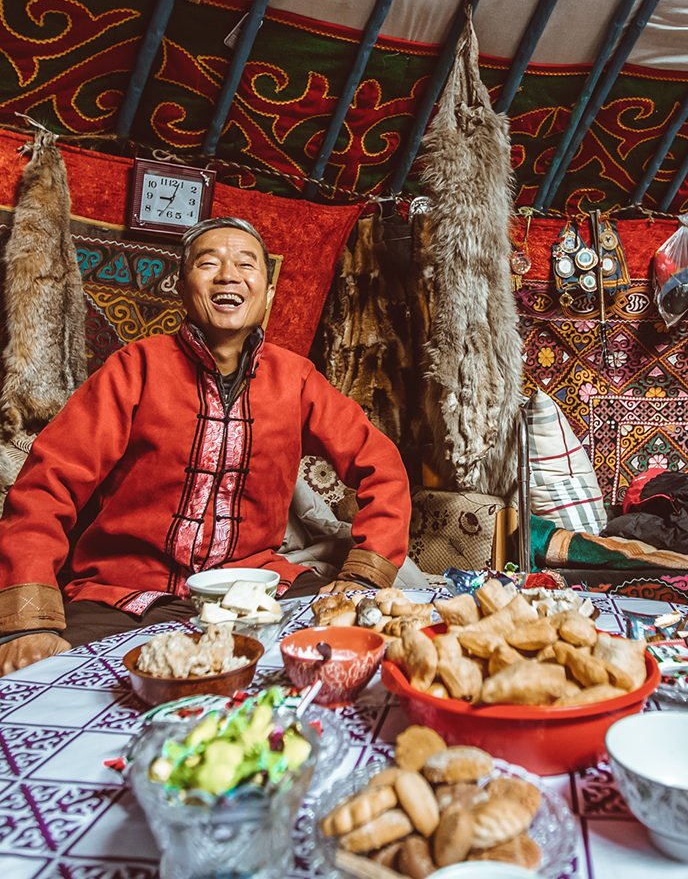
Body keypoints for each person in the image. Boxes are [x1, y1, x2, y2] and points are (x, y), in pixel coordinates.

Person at [0, 217, 411, 674]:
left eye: (246, 264)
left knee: (354, 659)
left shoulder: (296, 380)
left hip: (257, 590)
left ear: (268, 293)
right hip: (123, 595)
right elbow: (45, 486)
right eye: (209, 262)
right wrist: (26, 625)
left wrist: (361, 575)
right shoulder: (133, 369)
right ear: (181, 286)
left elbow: (382, 465)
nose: (229, 275)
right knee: (45, 680)